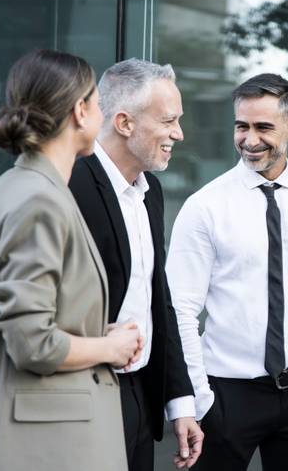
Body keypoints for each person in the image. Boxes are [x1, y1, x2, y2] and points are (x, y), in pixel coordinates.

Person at [167, 73, 288, 470]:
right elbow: (179, 310)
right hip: (225, 396)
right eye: (242, 126)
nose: (250, 140)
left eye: (263, 127)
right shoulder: (205, 207)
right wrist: (200, 399)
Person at [0, 49, 142, 471]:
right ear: (79, 111)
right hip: (51, 445)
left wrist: (95, 332)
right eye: (98, 103)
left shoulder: (13, 188)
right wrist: (109, 347)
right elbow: (30, 341)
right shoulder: (40, 200)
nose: (103, 114)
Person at [68, 58, 203, 471]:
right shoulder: (69, 185)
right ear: (125, 123)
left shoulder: (151, 191)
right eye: (168, 120)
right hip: (81, 396)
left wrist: (180, 402)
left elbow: (158, 299)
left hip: (140, 396)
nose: (179, 133)